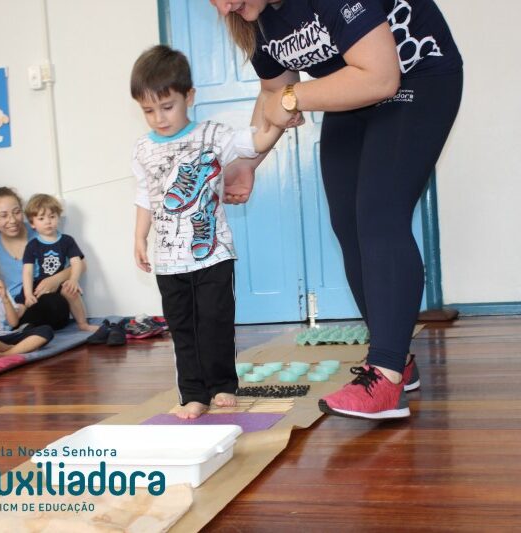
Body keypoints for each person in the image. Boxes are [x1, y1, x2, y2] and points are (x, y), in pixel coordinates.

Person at [212, 0, 463, 419]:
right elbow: (274, 91)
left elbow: (380, 78)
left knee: (380, 214)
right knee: (347, 223)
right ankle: (396, 359)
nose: (224, 9)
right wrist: (247, 162)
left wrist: (292, 97)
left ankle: (385, 376)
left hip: (417, 76)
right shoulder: (254, 18)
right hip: (354, 86)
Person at [130, 45, 283, 419]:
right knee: (183, 329)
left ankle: (222, 386)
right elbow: (144, 196)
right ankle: (194, 394)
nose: (159, 118)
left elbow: (256, 141)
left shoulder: (213, 135)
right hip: (169, 261)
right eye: (148, 110)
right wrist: (139, 237)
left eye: (167, 107)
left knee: (215, 322)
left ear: (189, 96)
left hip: (213, 253)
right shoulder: (143, 150)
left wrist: (281, 120)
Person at [0, 187, 72, 330]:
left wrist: (55, 279)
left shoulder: (41, 230)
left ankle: (25, 330)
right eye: (3, 215)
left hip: (42, 299)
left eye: (17, 212)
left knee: (55, 304)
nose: (12, 220)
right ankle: (24, 330)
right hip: (10, 308)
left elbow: (79, 264)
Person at [19, 194, 98, 333]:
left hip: (60, 282)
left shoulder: (67, 240)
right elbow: (27, 272)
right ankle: (18, 327)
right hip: (39, 285)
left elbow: (76, 262)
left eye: (52, 216)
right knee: (24, 302)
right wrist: (28, 293)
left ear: (58, 217)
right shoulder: (32, 245)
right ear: (32, 223)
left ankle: (83, 324)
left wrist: (73, 280)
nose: (48, 222)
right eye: (41, 218)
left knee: (71, 290)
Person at [0, 241, 54, 359]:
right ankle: (19, 348)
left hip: (4, 336)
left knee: (46, 330)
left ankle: (7, 353)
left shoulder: (0, 291)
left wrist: (5, 298)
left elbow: (13, 323)